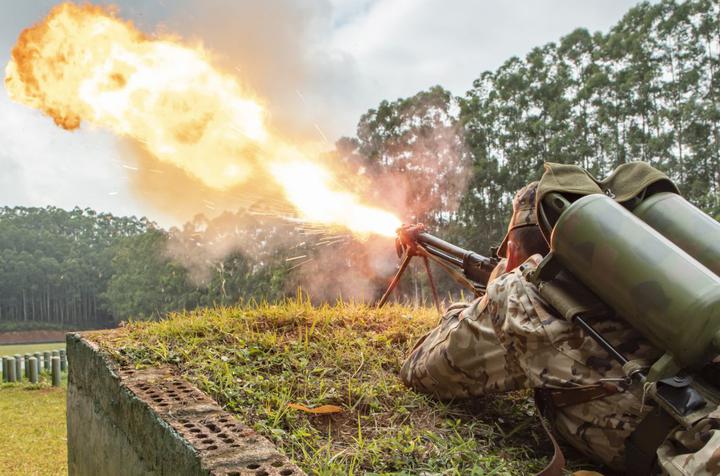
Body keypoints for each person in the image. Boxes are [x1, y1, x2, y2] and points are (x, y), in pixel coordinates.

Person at [400, 182, 720, 475]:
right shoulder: (656, 292)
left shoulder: (521, 299)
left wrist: (487, 299)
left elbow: (420, 371)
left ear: (512, 249)